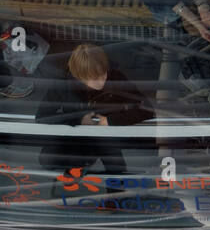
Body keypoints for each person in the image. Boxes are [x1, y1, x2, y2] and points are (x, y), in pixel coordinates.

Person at [37, 43, 153, 175]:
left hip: (105, 136)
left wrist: (109, 121)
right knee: (47, 160)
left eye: (103, 74)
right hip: (74, 137)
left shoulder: (115, 77)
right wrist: (78, 120)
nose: (102, 82)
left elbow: (147, 109)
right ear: (79, 77)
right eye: (94, 79)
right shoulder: (63, 84)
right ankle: (78, 170)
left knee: (117, 171)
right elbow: (42, 117)